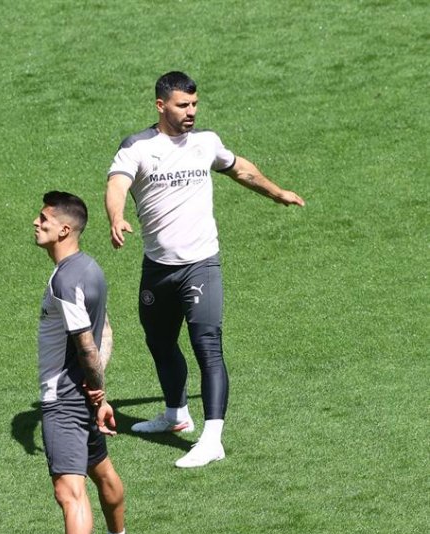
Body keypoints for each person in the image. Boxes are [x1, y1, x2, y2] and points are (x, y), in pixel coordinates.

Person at [105, 71, 305, 468]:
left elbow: (240, 169)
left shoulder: (205, 143)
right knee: (159, 342)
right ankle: (176, 415)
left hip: (201, 265)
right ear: (161, 106)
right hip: (158, 267)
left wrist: (277, 192)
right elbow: (117, 183)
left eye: (195, 104)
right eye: (183, 105)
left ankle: (212, 438)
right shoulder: (139, 146)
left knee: (207, 346)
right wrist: (116, 215)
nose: (191, 112)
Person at [27, 191, 130, 534]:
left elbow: (86, 344)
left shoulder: (65, 280)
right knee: (102, 469)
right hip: (82, 396)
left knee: (69, 492)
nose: (36, 222)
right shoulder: (90, 269)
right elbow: (106, 329)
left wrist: (96, 390)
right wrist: (99, 394)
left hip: (64, 399)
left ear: (64, 229)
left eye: (44, 218)